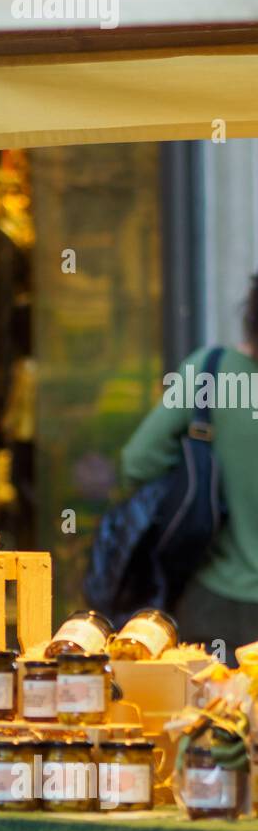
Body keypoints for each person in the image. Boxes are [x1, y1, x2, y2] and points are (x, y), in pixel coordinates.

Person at [120, 274, 258, 654]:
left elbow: (137, 462)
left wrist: (195, 464)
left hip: (215, 603)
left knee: (213, 711)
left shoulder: (210, 371)